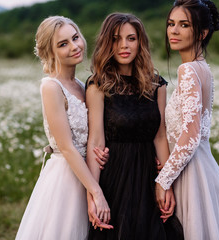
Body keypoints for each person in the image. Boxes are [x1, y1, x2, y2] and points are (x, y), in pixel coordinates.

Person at [86, 12, 183, 239]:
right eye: (116, 38)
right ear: (106, 42)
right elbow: (96, 141)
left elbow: (160, 135)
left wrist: (165, 183)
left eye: (131, 38)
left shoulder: (156, 84)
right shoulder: (98, 84)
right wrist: (94, 195)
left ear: (140, 42)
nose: (124, 46)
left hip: (149, 174)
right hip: (115, 175)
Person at [15, 16, 112, 240]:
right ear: (50, 52)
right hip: (66, 180)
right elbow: (67, 146)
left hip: (89, 173)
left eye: (75, 38)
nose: (74, 46)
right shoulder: (51, 87)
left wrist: (101, 153)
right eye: (63, 44)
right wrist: (96, 193)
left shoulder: (83, 85)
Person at [155, 0, 219, 239]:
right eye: (171, 23)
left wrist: (163, 180)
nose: (173, 30)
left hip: (190, 171)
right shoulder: (203, 68)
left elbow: (191, 134)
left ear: (202, 33)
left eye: (184, 25)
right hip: (201, 164)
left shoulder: (188, 70)